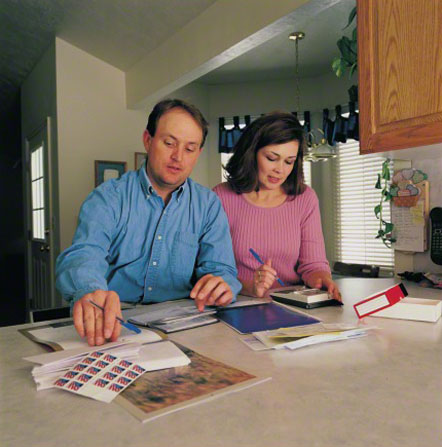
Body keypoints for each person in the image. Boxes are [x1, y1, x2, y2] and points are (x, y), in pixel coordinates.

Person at [56, 99, 241, 346]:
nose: (178, 157)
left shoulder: (208, 204)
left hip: (184, 324)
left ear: (198, 153)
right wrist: (89, 289)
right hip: (114, 322)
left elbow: (222, 271)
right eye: (169, 143)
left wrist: (221, 284)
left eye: (190, 148)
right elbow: (85, 253)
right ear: (147, 140)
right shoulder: (108, 197)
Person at [213, 111, 341, 301]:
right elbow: (212, 269)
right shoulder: (221, 197)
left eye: (289, 161)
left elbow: (313, 265)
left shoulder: (305, 199)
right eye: (272, 158)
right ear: (251, 152)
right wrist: (250, 287)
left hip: (292, 305)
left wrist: (322, 280)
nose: (280, 170)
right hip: (238, 303)